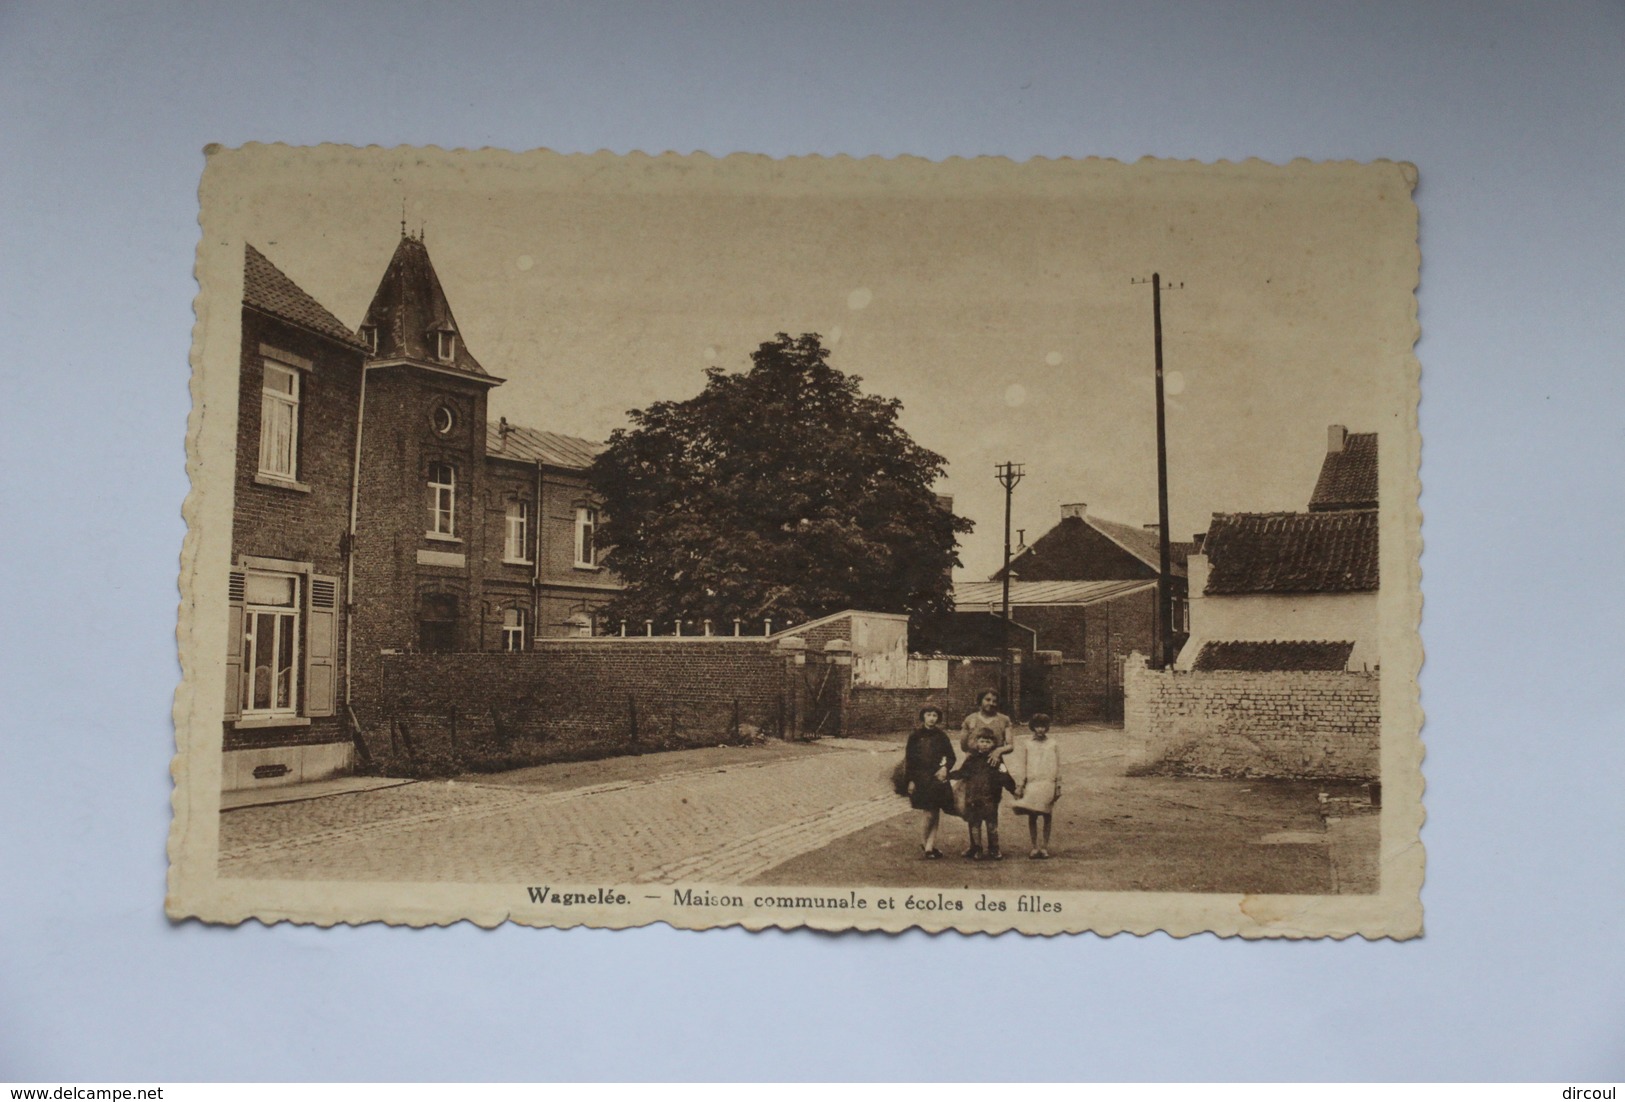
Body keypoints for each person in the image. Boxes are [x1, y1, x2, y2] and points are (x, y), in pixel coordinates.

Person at [950, 729, 1017, 859]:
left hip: (991, 797)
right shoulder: (971, 759)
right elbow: (962, 772)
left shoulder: (996, 760)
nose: (985, 744)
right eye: (982, 741)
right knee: (975, 824)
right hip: (973, 797)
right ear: (976, 743)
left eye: (988, 741)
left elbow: (1004, 775)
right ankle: (977, 848)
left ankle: (994, 848)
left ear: (993, 744)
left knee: (992, 824)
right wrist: (948, 775)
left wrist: (1013, 789)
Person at [903, 705, 956, 859]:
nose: (932, 718)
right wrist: (910, 780)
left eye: (934, 715)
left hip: (937, 778)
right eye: (929, 715)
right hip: (921, 778)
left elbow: (951, 756)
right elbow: (910, 760)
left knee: (935, 811)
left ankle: (929, 846)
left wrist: (945, 768)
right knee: (929, 813)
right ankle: (925, 842)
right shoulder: (915, 736)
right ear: (923, 717)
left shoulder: (942, 736)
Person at [1010, 712, 1062, 858]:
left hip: (1048, 783)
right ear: (1033, 727)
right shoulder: (1028, 744)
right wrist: (1020, 785)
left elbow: (1058, 765)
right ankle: (1034, 846)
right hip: (1033, 783)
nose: (1040, 730)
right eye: (1038, 727)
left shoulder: (1053, 744)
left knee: (1047, 815)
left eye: (1043, 727)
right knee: (1032, 815)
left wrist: (1058, 785)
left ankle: (1044, 847)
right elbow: (1023, 765)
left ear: (1047, 728)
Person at [960, 688, 1014, 764]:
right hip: (974, 760)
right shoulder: (970, 719)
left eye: (994, 701)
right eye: (987, 700)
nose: (991, 703)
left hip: (994, 760)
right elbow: (963, 744)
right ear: (980, 700)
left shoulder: (1004, 719)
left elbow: (1010, 746)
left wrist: (998, 751)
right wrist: (968, 752)